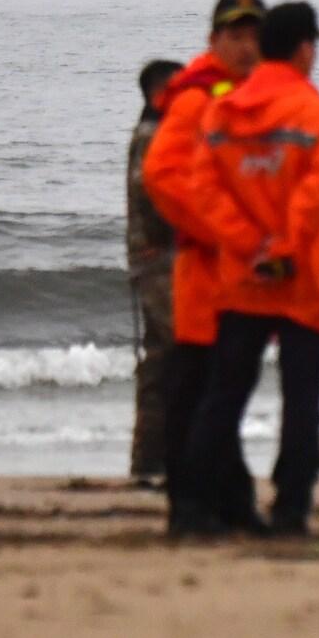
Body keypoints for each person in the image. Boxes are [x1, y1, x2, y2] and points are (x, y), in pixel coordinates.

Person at [184, 2, 319, 536]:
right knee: (302, 400)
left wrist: (247, 244)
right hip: (304, 276)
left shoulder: (220, 114)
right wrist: (280, 248)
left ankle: (194, 509)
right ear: (304, 49)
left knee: (224, 397)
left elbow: (204, 191)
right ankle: (291, 509)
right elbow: (312, 195)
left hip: (243, 275)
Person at [142, 0, 266, 536]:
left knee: (224, 395)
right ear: (213, 40)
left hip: (244, 276)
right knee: (195, 395)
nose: (244, 46)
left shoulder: (253, 96)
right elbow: (162, 175)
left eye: (253, 36)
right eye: (234, 36)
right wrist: (220, 234)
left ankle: (227, 502)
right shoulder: (197, 98)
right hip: (206, 275)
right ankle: (190, 509)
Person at [126, 58, 183, 481]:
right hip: (159, 260)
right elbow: (155, 199)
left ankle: (156, 456)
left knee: (167, 357)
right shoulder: (152, 136)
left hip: (163, 258)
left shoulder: (164, 133)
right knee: (167, 354)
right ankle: (150, 458)